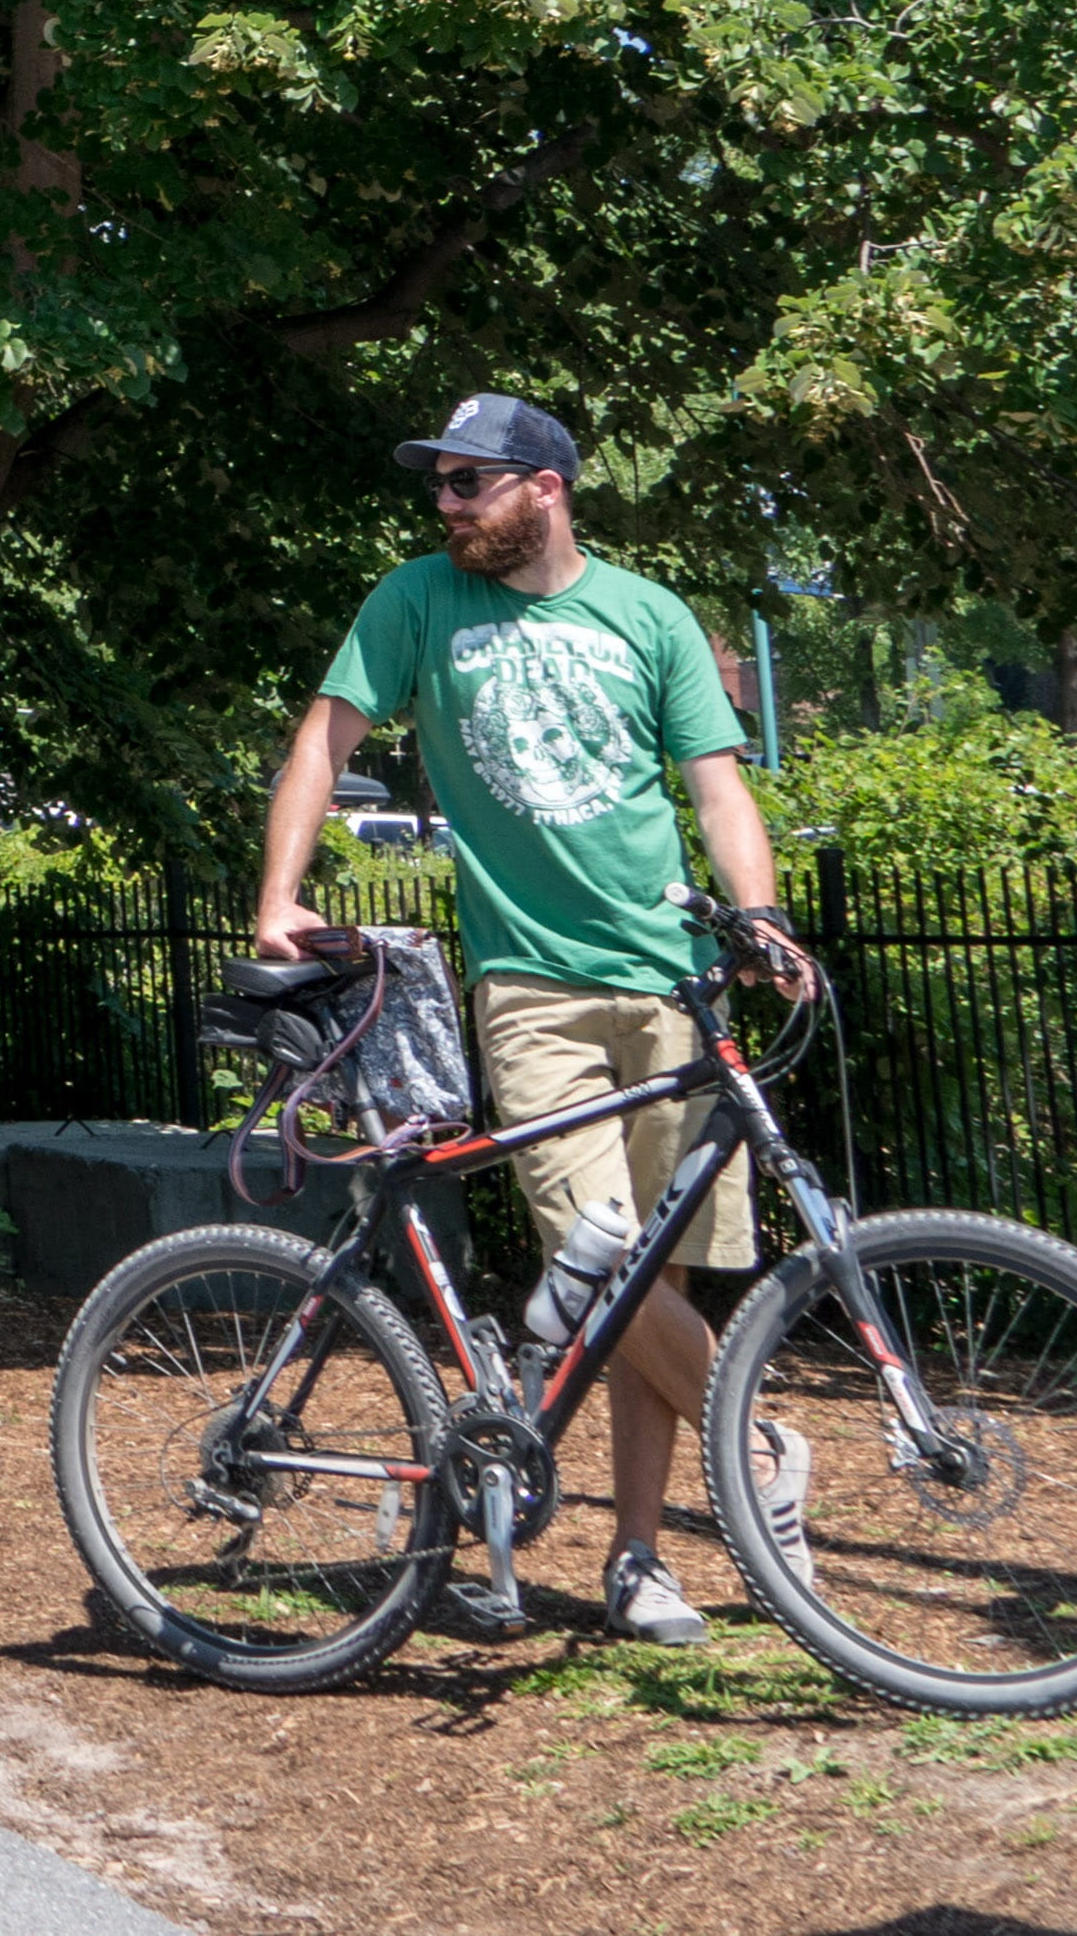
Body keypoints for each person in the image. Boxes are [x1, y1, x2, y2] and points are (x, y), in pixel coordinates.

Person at [249, 394, 809, 1650]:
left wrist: (757, 914)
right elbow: (320, 744)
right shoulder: (415, 603)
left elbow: (716, 789)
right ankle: (759, 1450)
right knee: (599, 1250)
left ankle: (639, 1559)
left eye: (469, 485)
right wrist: (279, 893)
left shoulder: (647, 613)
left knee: (649, 1282)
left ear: (544, 489)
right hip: (531, 984)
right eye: (438, 486)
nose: (444, 505)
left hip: (672, 981)